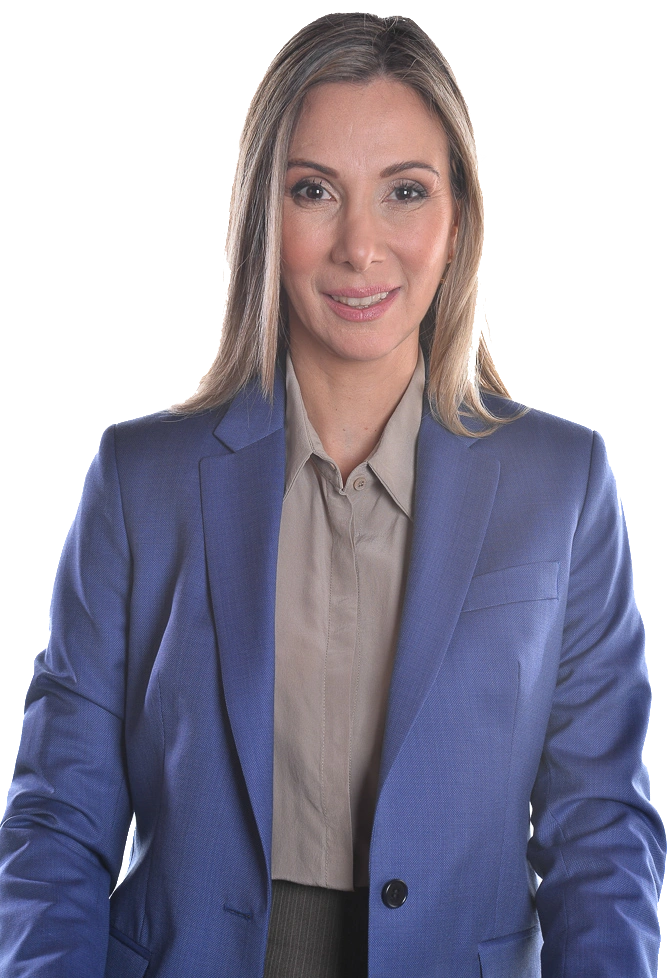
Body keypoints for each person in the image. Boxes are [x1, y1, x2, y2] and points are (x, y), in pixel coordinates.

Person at [0, 13, 664, 978]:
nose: (361, 246)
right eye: (315, 190)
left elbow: (601, 831)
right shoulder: (142, 480)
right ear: (265, 216)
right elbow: (60, 819)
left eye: (405, 192)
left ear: (458, 218)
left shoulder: (561, 482)